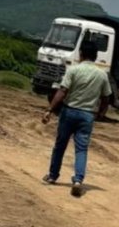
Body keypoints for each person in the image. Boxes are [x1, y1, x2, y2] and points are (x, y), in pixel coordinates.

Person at [41, 41, 112, 197]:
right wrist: (101, 113)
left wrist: (50, 109)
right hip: (87, 115)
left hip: (69, 112)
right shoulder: (102, 75)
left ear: (81, 54)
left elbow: (62, 91)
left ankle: (53, 176)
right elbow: (106, 97)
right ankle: (78, 181)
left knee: (60, 145)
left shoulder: (73, 70)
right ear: (95, 56)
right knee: (81, 149)